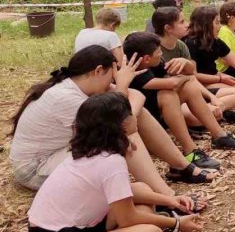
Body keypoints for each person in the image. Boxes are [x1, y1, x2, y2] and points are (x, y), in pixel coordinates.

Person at [27, 92, 201, 232]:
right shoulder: (110, 161)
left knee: (142, 189)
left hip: (70, 229)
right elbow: (128, 218)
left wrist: (169, 201)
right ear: (122, 124)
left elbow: (123, 195)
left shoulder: (91, 150)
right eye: (130, 112)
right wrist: (176, 223)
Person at [9, 46, 216, 191]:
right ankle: (164, 194)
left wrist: (126, 104)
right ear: (98, 71)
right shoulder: (66, 98)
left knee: (132, 116)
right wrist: (124, 90)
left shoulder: (83, 87)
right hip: (36, 169)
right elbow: (125, 124)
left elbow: (138, 97)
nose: (114, 80)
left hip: (58, 154)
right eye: (113, 74)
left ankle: (181, 166)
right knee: (119, 136)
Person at [123, 32, 235, 159]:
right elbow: (172, 83)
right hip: (146, 122)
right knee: (169, 94)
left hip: (160, 112)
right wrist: (186, 77)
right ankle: (190, 150)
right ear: (146, 58)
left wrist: (185, 62)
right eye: (159, 52)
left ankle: (219, 136)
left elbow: (191, 73)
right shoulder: (135, 71)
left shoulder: (152, 63)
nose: (161, 54)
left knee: (189, 87)